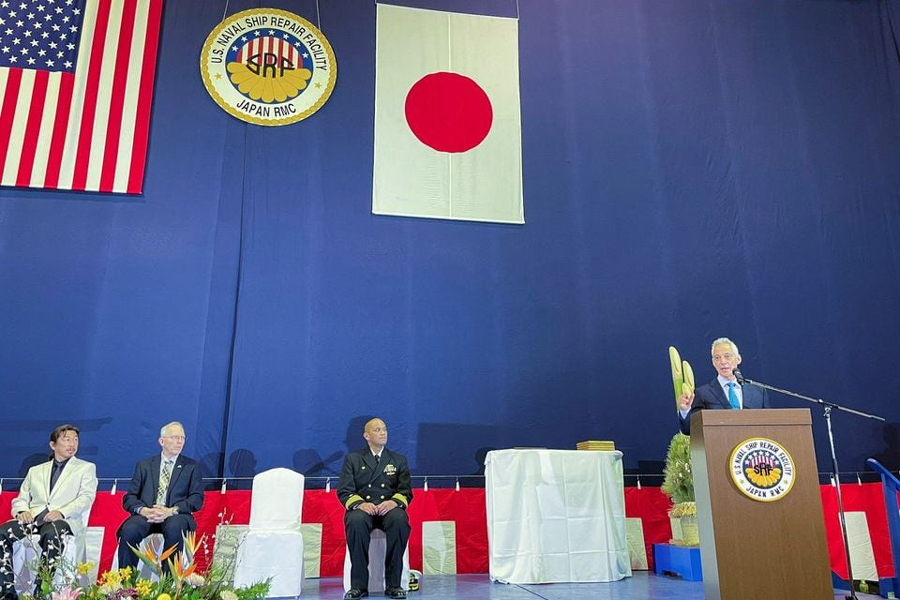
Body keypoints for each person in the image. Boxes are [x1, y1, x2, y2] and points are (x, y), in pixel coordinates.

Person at [0, 424, 98, 600]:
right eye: (66, 439)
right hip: (33, 520)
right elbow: (21, 498)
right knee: (2, 533)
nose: (72, 444)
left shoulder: (86, 468)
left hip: (64, 520)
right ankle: (6, 590)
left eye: (75, 440)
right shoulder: (35, 471)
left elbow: (86, 498)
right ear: (53, 445)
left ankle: (42, 588)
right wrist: (21, 511)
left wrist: (61, 512)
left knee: (51, 534)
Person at [338, 418, 412, 600]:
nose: (383, 433)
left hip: (388, 508)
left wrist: (393, 502)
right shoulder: (353, 459)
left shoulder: (398, 460)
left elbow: (405, 490)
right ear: (366, 435)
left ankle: (394, 585)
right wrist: (360, 503)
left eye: (385, 429)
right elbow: (345, 490)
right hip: (363, 509)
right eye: (377, 430)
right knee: (355, 520)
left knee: (399, 519)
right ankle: (358, 586)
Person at [117, 421, 205, 572]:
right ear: (161, 441)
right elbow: (129, 497)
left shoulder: (191, 466)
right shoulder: (144, 465)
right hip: (148, 514)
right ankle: (126, 583)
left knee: (175, 527)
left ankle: (169, 583)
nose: (179, 442)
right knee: (130, 529)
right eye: (175, 437)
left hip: (175, 514)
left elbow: (196, 499)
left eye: (182, 438)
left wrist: (170, 511)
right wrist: (143, 510)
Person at [678, 337, 771, 435]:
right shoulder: (703, 393)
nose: (722, 361)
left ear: (738, 359)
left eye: (727, 356)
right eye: (717, 358)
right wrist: (685, 410)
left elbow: (769, 426)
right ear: (713, 363)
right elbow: (689, 430)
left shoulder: (758, 392)